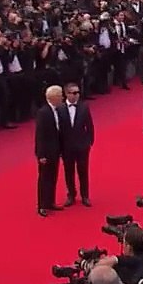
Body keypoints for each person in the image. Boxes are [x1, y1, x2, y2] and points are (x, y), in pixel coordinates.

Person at [35, 85, 68, 216]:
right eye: (60, 95)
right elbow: (40, 135)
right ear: (54, 97)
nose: (62, 97)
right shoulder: (43, 112)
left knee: (53, 177)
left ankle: (50, 201)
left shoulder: (57, 110)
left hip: (55, 150)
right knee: (44, 178)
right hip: (46, 152)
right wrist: (41, 154)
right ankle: (42, 205)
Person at [61, 83, 94, 207]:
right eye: (74, 93)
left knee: (83, 171)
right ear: (67, 94)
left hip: (82, 146)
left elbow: (89, 125)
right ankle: (71, 195)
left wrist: (90, 141)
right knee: (68, 172)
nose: (76, 95)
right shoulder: (61, 109)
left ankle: (85, 195)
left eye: (78, 92)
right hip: (67, 147)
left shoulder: (84, 107)